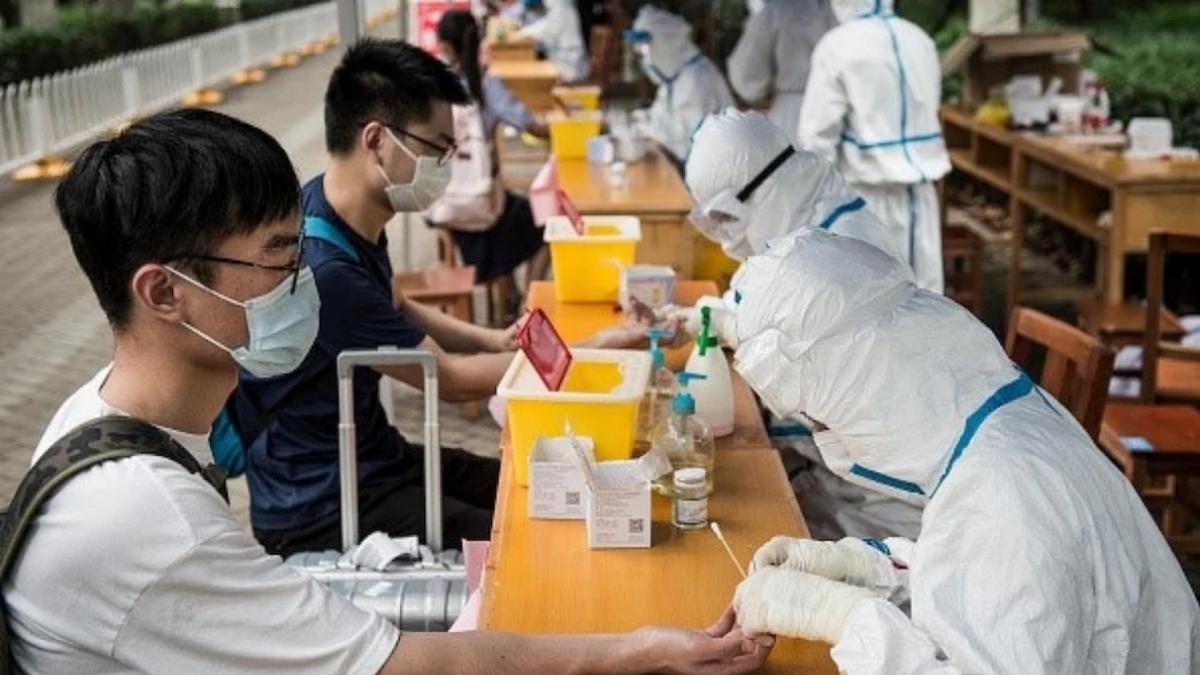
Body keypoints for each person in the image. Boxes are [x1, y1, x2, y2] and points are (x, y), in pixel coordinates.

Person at [6, 107, 772, 674]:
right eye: (278, 258)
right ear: (165, 293)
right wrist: (639, 647)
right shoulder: (152, 516)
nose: (304, 280)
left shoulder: (102, 415)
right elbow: (406, 664)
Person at [230, 39, 641, 558]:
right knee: (527, 538)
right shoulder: (327, 273)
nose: (445, 166)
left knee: (526, 486)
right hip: (324, 502)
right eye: (437, 149)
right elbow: (448, 379)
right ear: (377, 141)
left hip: (374, 458)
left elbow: (396, 304)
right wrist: (591, 350)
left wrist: (492, 339)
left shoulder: (332, 207)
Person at [725, 227, 1200, 672]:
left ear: (862, 390)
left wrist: (840, 615)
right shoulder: (995, 418)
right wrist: (864, 568)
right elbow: (984, 581)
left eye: (821, 418)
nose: (825, 434)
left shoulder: (1005, 491)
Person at [682, 108, 920, 541]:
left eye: (728, 218)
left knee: (735, 526)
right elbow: (754, 300)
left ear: (763, 188)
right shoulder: (798, 219)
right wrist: (701, 319)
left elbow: (802, 366)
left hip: (875, 499)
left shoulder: (842, 247)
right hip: (828, 469)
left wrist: (731, 328)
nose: (725, 235)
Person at [798, 0, 950, 293]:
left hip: (863, 198)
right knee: (924, 301)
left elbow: (816, 138)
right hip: (920, 198)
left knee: (865, 301)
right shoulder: (920, 40)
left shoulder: (837, 45)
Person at [432, 10, 550, 304]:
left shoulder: (433, 86)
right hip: (482, 206)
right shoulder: (487, 85)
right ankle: (528, 304)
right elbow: (530, 125)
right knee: (547, 223)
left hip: (445, 208)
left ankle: (510, 295)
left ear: (445, 47)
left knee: (507, 215)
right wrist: (558, 128)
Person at [629, 6, 735, 164]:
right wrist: (644, 119)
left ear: (665, 46)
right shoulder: (675, 77)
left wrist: (650, 130)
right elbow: (661, 117)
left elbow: (689, 147)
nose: (646, 61)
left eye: (646, 52)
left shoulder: (697, 80)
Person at [726, 0, 834, 142]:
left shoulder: (778, 10)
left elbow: (745, 70)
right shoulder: (851, 7)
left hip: (792, 113)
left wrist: (760, 93)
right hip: (839, 107)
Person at [518, 0, 590, 82]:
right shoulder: (560, 8)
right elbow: (547, 23)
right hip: (565, 57)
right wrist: (526, 31)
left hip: (569, 64)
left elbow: (549, 32)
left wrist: (525, 32)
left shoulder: (560, 7)